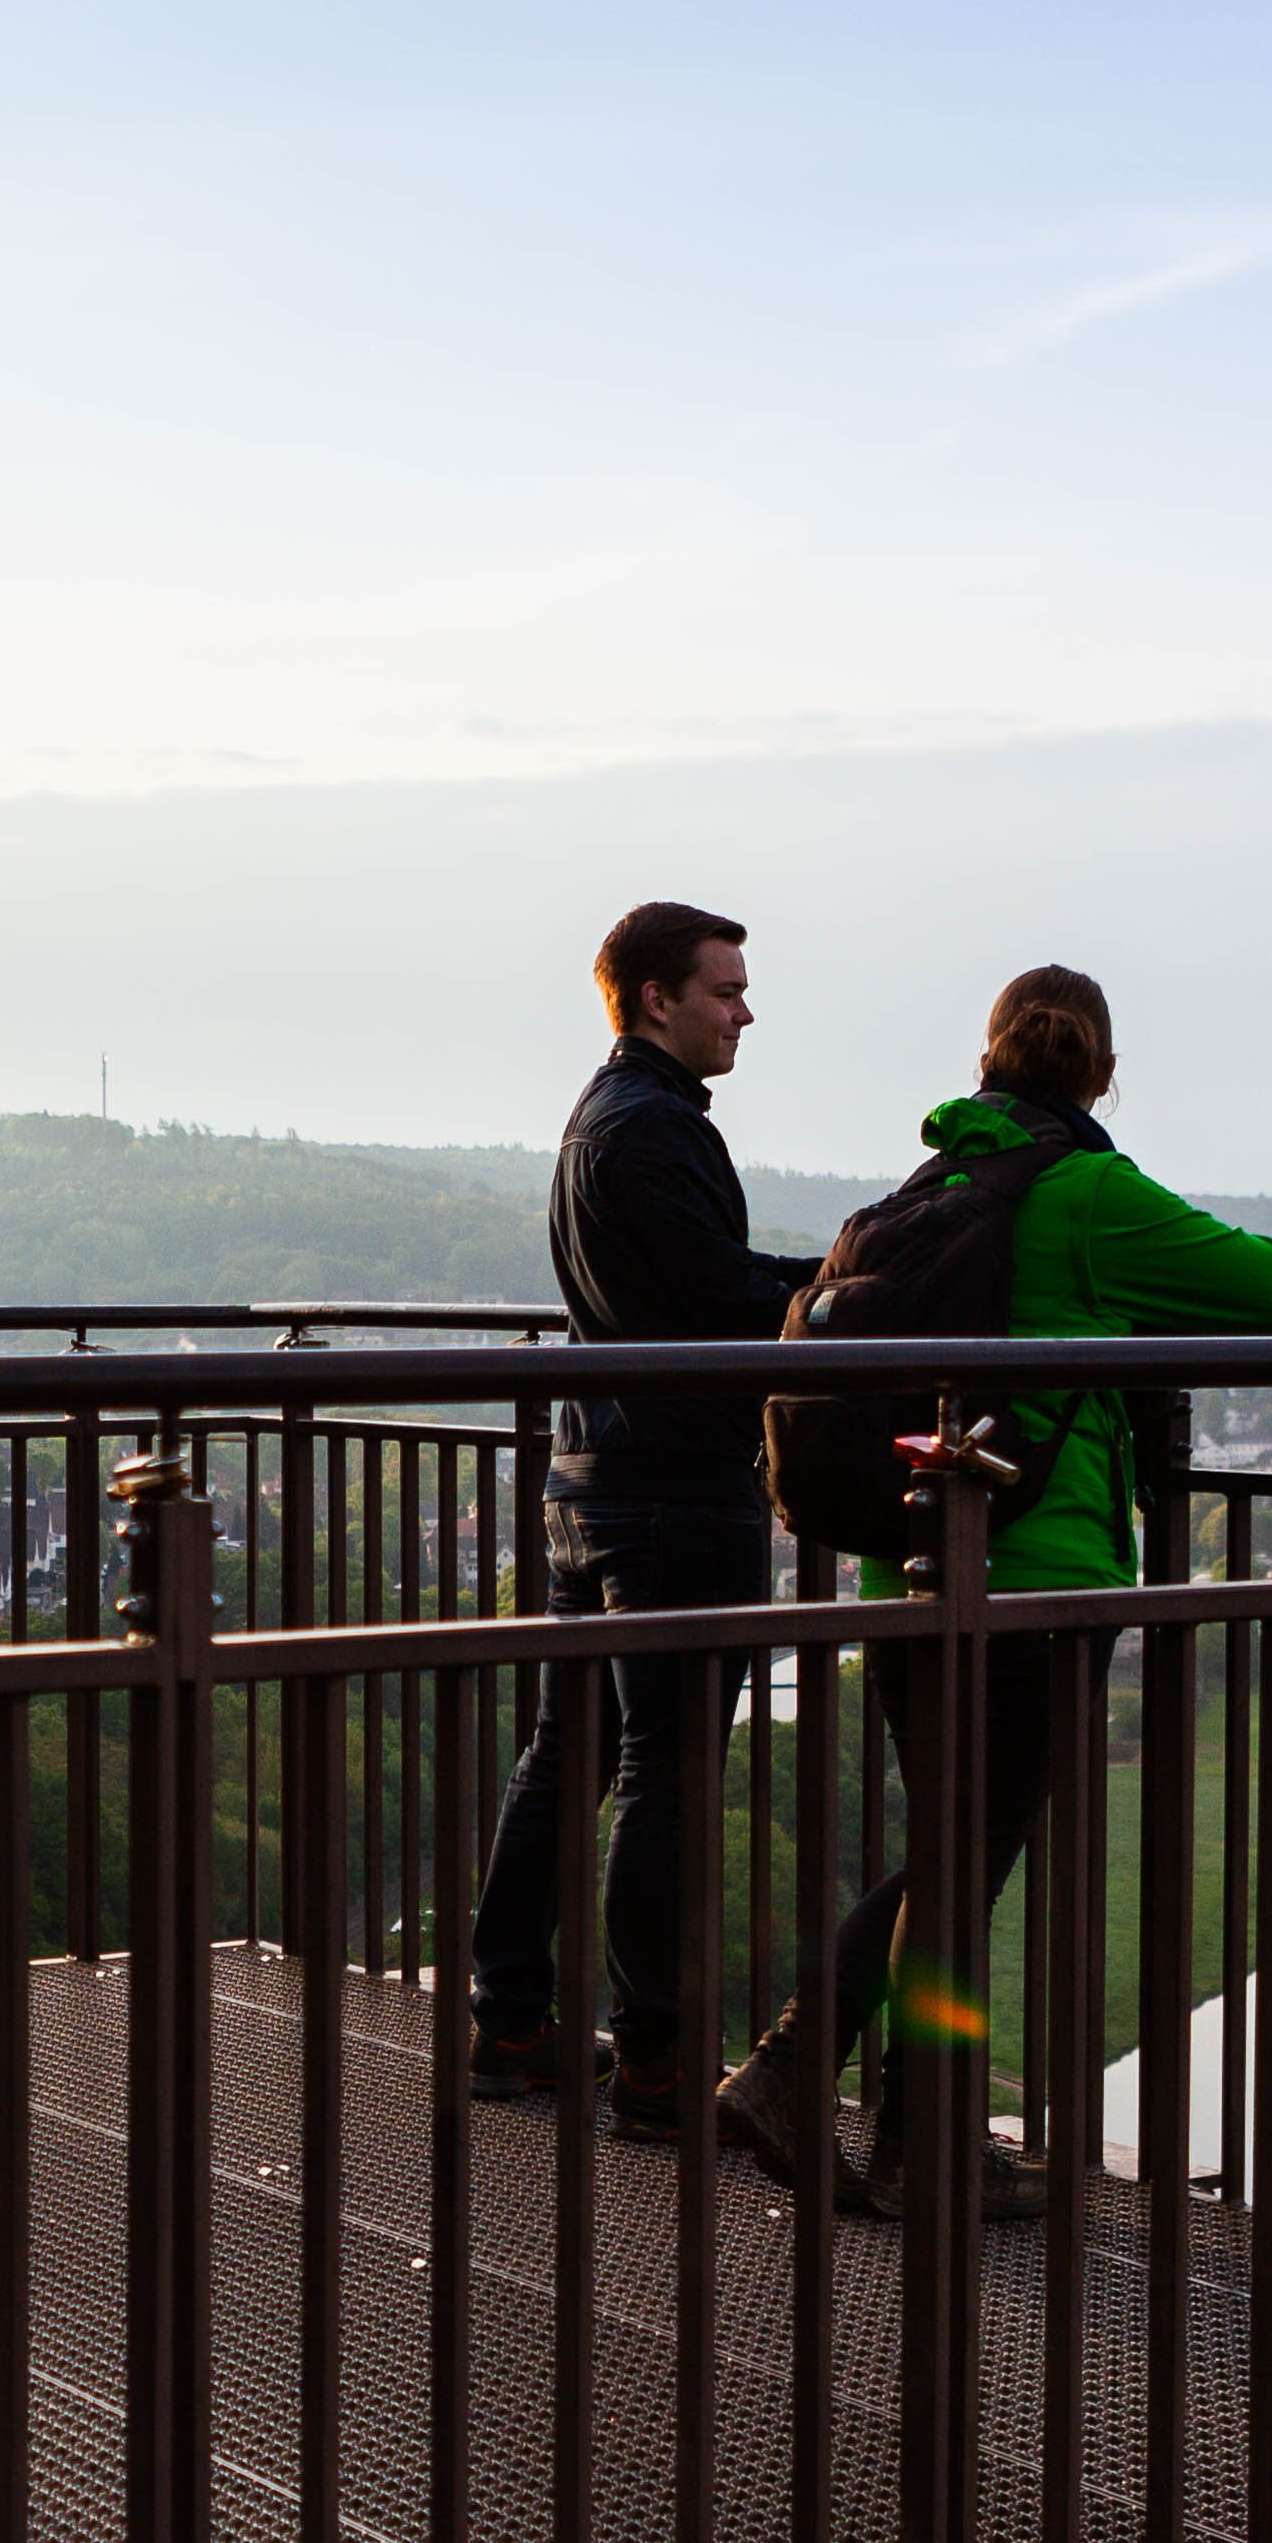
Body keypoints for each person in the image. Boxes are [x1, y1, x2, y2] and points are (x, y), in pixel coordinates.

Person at [715, 961, 1272, 2213]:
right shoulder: (1087, 1191)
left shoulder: (922, 1186)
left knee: (949, 1845)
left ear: (985, 1061)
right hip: (1035, 1570)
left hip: (906, 1558)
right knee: (963, 1853)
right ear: (1099, 1070)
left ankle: (912, 2136)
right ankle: (798, 2075)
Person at [465, 900, 818, 2138]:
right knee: (661, 1773)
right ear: (656, 997)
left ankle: (508, 2019)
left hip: (594, 1475)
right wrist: (836, 1287)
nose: (744, 1009)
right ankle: (656, 2060)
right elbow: (718, 1303)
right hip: (669, 1489)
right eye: (724, 989)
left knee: (569, 1756)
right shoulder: (652, 1133)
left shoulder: (602, 1120)